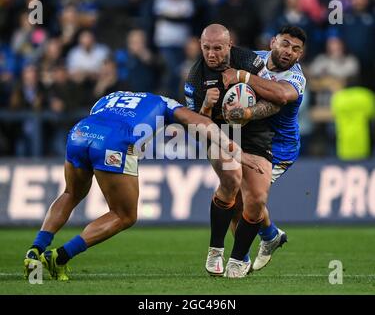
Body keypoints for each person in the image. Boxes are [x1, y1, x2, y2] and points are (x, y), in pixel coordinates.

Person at [23, 90, 263, 281]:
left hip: (79, 132)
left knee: (70, 193)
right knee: (124, 215)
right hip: (113, 143)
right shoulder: (165, 103)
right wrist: (237, 152)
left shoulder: (111, 96)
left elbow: (100, 115)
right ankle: (59, 257)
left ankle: (35, 250)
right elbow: (202, 124)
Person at [184, 24, 286, 278]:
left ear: (229, 45)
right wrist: (206, 108)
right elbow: (196, 130)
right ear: (200, 44)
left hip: (255, 135)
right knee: (231, 179)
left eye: (217, 48)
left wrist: (247, 110)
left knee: (256, 200)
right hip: (218, 135)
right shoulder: (195, 77)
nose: (211, 54)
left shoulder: (248, 61)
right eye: (206, 48)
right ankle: (215, 250)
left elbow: (277, 100)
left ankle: (239, 258)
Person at [222, 25, 307, 276]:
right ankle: (264, 240)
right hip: (251, 141)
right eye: (285, 44)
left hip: (279, 147)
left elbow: (280, 96)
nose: (288, 52)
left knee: (245, 197)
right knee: (234, 197)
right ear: (272, 42)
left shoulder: (296, 79)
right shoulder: (254, 59)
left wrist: (243, 77)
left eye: (296, 49)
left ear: (300, 55)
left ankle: (248, 253)